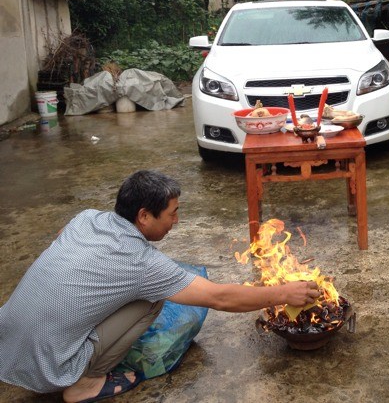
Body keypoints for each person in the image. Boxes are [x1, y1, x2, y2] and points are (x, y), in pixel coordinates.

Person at [0, 170, 320, 403]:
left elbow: (60, 241)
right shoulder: (143, 264)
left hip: (6, 341)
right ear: (143, 216)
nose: (176, 221)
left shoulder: (86, 218)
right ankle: (86, 384)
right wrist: (283, 293)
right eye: (172, 213)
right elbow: (218, 297)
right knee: (151, 302)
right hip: (45, 367)